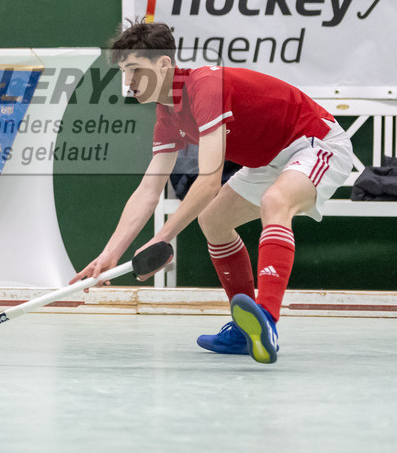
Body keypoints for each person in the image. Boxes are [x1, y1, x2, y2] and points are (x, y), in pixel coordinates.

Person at [72, 20, 354, 365]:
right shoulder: (168, 114)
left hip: (315, 143)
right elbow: (149, 189)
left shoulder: (205, 86)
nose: (128, 83)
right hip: (268, 161)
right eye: (123, 72)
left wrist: (163, 238)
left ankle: (266, 319)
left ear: (163, 63)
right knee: (214, 220)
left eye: (135, 70)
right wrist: (109, 255)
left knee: (275, 202)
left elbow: (208, 180)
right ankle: (243, 329)